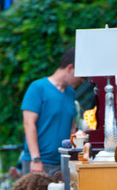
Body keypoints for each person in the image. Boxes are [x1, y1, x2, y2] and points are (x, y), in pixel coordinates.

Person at [21, 48, 84, 176]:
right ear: (70, 68)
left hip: (63, 162)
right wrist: (36, 159)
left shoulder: (70, 93)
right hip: (40, 163)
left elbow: (71, 128)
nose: (83, 81)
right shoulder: (38, 88)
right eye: (81, 76)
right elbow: (28, 123)